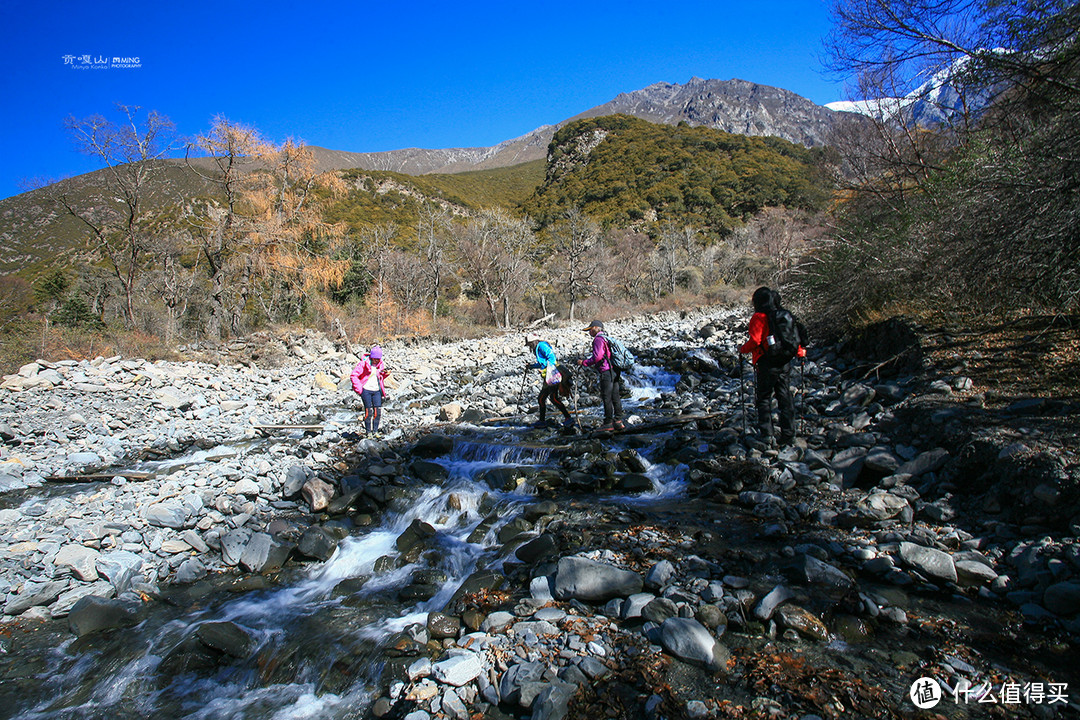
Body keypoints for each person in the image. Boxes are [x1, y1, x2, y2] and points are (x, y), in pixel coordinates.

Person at [738, 287, 805, 447]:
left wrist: (742, 350)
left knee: (763, 398)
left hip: (766, 363)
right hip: (784, 362)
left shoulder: (759, 317)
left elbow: (755, 341)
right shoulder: (783, 315)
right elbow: (795, 338)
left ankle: (767, 435)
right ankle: (789, 435)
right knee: (785, 397)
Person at [580, 320, 624, 432]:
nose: (589, 332)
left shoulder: (598, 339)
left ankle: (608, 422)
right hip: (614, 370)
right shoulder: (606, 337)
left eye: (590, 329)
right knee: (615, 396)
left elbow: (598, 357)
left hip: (606, 371)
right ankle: (618, 421)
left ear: (595, 328)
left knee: (606, 397)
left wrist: (584, 362)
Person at [525, 333, 575, 428]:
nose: (529, 346)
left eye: (530, 344)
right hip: (550, 376)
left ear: (533, 342)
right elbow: (542, 363)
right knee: (549, 398)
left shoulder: (541, 346)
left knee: (545, 398)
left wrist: (550, 370)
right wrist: (531, 366)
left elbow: (552, 358)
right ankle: (566, 418)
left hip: (552, 376)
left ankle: (565, 418)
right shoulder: (539, 347)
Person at [350, 345, 390, 437]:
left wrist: (386, 374)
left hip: (376, 390)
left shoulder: (380, 364)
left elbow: (380, 377)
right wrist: (359, 389)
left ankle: (375, 431)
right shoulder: (363, 363)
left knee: (377, 411)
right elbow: (353, 375)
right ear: (371, 357)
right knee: (369, 411)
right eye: (375, 358)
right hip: (366, 390)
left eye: (378, 359)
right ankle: (368, 432)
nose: (377, 360)